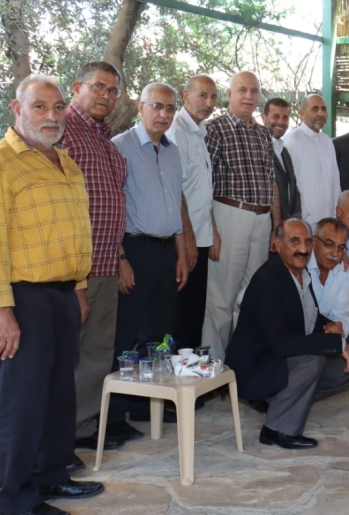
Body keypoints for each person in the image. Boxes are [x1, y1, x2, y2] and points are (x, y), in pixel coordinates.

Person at [0, 75, 104, 515]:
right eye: (40, 106)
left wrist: (78, 289)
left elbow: (75, 232)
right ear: (17, 109)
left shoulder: (66, 162)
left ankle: (52, 476)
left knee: (60, 394)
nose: (52, 116)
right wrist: (1, 311)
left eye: (59, 107)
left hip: (63, 294)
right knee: (21, 401)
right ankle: (16, 499)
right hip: (21, 298)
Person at [226, 219, 349, 451]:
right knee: (313, 360)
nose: (303, 249)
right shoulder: (269, 280)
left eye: (307, 242)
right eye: (294, 241)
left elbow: (309, 313)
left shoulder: (299, 274)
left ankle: (279, 403)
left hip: (275, 359)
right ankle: (278, 429)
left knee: (345, 371)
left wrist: (330, 326)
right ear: (277, 245)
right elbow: (283, 344)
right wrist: (336, 343)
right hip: (254, 368)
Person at [108, 83, 188, 433]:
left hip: (166, 251)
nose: (164, 114)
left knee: (158, 334)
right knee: (126, 334)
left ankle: (146, 406)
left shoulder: (173, 151)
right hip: (134, 249)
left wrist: (181, 254)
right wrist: (121, 258)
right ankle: (114, 416)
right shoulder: (120, 147)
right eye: (157, 106)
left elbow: (176, 204)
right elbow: (112, 207)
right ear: (140, 107)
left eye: (170, 108)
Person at [59, 61, 129, 454]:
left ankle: (82, 428)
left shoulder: (105, 137)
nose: (106, 95)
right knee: (68, 354)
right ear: (77, 87)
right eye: (98, 87)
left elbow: (113, 202)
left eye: (112, 90)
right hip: (75, 268)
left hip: (106, 262)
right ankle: (57, 439)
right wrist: (73, 276)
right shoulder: (62, 130)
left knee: (98, 352)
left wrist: (120, 255)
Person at [203, 71, 278, 360]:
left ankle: (243, 364)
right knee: (221, 299)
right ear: (229, 94)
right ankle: (213, 367)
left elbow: (271, 182)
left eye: (254, 91)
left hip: (262, 220)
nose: (249, 96)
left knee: (251, 298)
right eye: (242, 90)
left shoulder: (263, 133)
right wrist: (211, 230)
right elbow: (203, 185)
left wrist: (276, 225)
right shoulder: (214, 129)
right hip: (230, 214)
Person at [166, 75, 218, 351]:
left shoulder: (200, 131)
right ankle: (177, 373)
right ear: (185, 96)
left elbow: (201, 191)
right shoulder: (176, 131)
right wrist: (188, 241)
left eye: (213, 97)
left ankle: (191, 371)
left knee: (195, 313)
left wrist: (212, 232)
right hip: (185, 239)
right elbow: (177, 191)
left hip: (200, 235)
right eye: (202, 96)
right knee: (181, 315)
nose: (209, 103)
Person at [306, 218, 349, 359]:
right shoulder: (302, 265)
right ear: (313, 242)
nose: (335, 254)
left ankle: (332, 353)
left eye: (341, 248)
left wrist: (338, 328)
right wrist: (327, 329)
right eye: (329, 244)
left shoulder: (344, 268)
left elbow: (342, 312)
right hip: (305, 331)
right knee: (342, 370)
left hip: (330, 330)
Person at [284, 93, 341, 225]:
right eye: (315, 109)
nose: (320, 113)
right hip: (303, 222)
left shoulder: (327, 141)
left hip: (329, 219)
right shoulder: (291, 140)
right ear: (302, 113)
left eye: (323, 109)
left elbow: (335, 182)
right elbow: (289, 186)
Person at [264, 97, 302, 222]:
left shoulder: (284, 151)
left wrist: (295, 218)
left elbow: (293, 188)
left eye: (285, 118)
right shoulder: (258, 149)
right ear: (264, 117)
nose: (281, 122)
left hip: (287, 224)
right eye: (276, 116)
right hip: (266, 225)